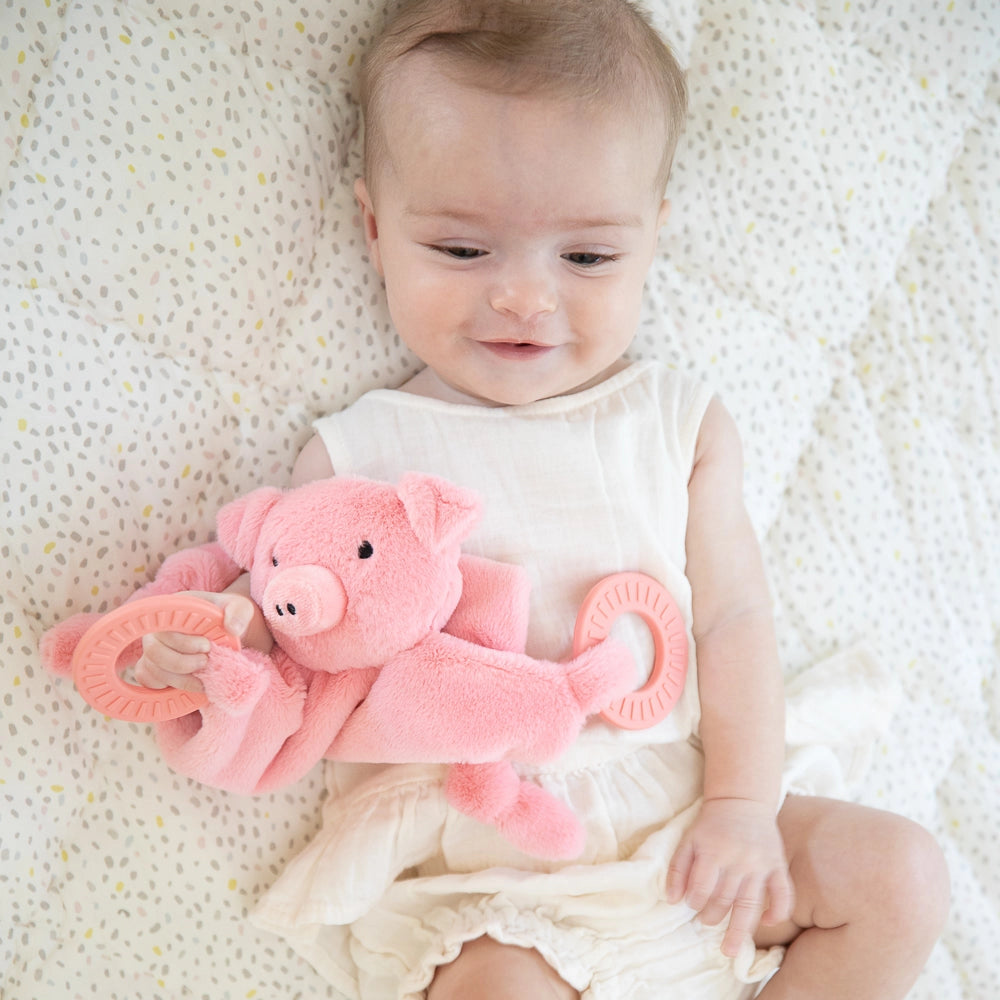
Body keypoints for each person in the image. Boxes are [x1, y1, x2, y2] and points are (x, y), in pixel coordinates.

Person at [133, 1, 950, 997]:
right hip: (494, 856)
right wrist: (225, 651)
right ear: (376, 229)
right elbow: (303, 641)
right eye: (463, 251)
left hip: (687, 818)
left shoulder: (677, 420)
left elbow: (736, 618)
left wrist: (740, 804)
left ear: (653, 236)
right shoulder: (357, 452)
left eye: (589, 257)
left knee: (900, 876)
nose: (525, 296)